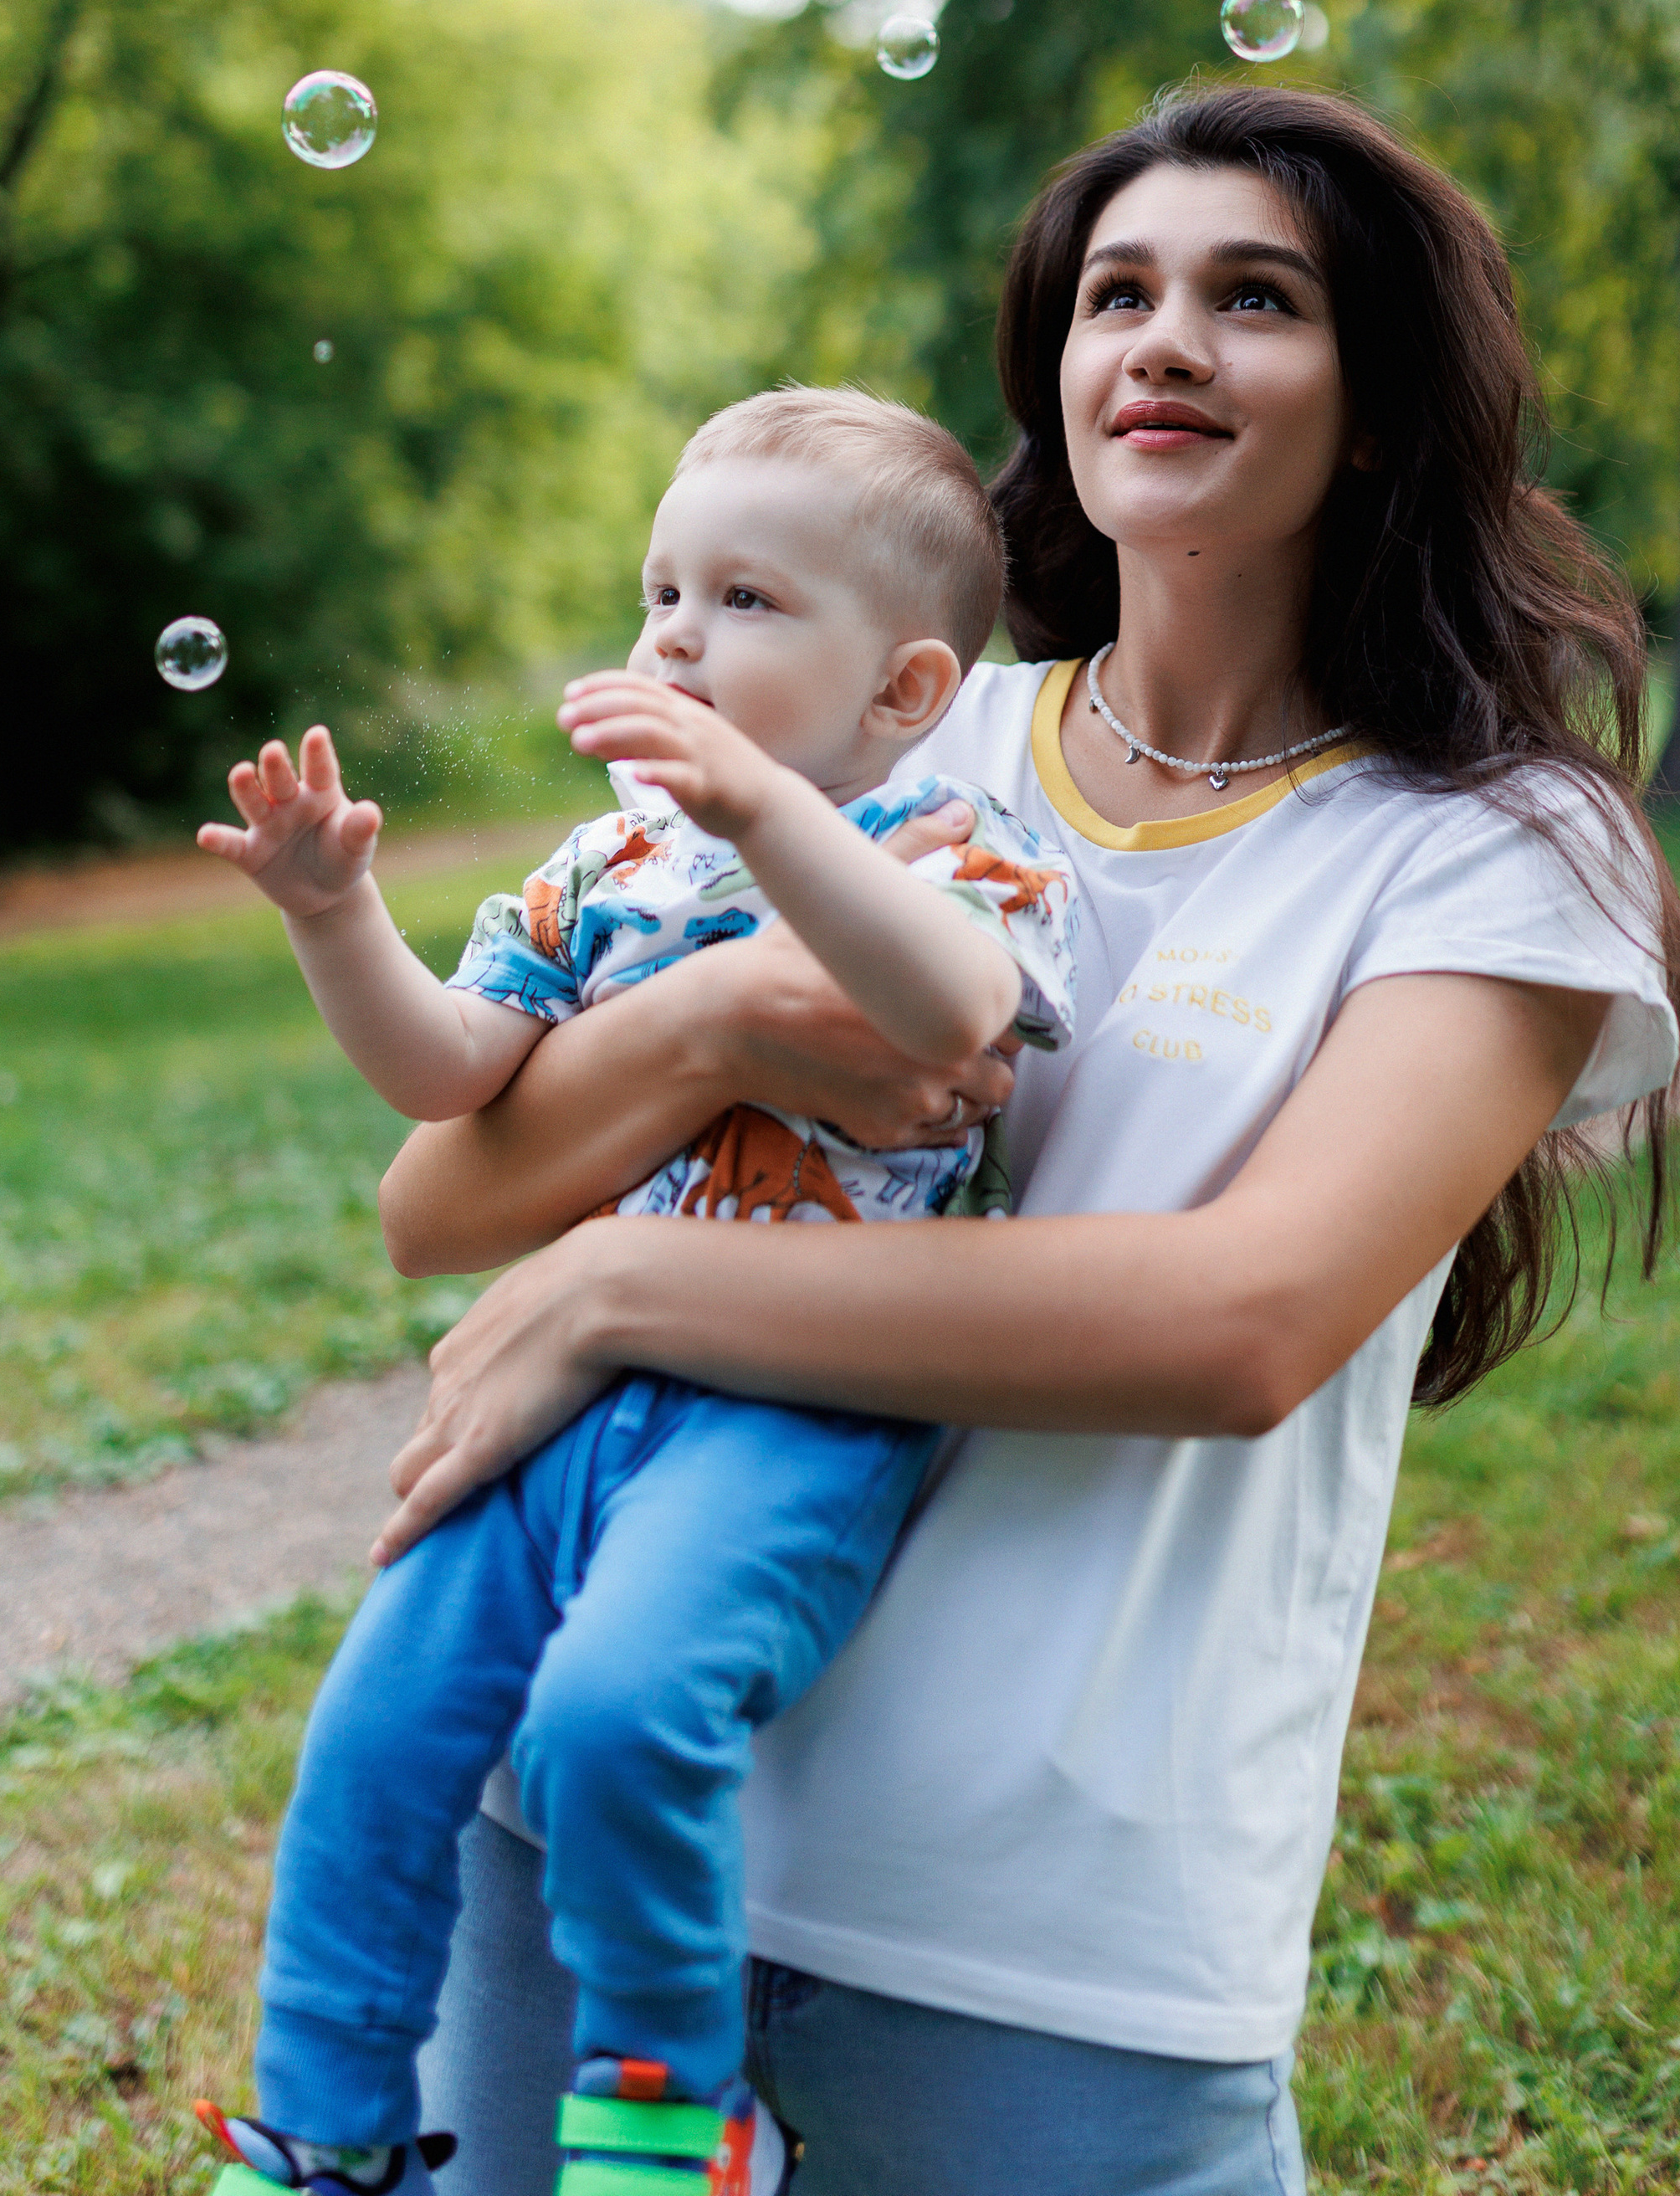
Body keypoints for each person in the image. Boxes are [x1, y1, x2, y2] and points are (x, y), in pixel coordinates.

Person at [370, 83, 1680, 2196]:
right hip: (588, 1825)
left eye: (1250, 297)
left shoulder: (1491, 854)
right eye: (1116, 294)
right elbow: (442, 1201)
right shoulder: (878, 734)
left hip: (1040, 1948)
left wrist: (627, 1284)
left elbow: (1241, 1323)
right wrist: (719, 1009)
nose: (1161, 341)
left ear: (1374, 406)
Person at [187, 391, 1078, 2196]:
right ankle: (330, 2131)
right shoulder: (600, 869)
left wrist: (758, 803)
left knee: (613, 1713)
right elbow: (448, 1079)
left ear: (902, 692)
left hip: (788, 1412)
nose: (673, 633)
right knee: (375, 1726)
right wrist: (329, 917)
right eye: (661, 590)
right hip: (566, 1402)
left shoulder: (945, 842)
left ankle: (674, 2106)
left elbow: (946, 1014)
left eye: (745, 602)